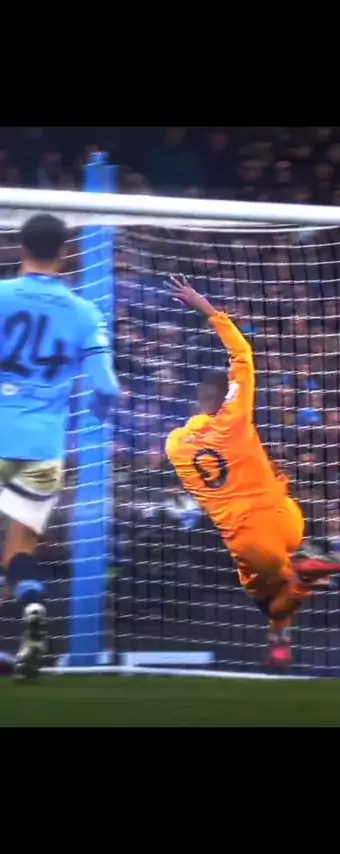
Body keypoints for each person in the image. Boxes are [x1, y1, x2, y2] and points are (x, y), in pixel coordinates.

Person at [166, 277, 340, 669]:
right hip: (285, 516)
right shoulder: (235, 419)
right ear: (223, 398)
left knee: (269, 600)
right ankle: (281, 633)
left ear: (197, 401)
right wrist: (207, 309)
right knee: (285, 588)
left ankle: (299, 585)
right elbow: (242, 354)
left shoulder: (176, 446)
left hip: (250, 539)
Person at [0, 213, 119, 679]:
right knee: (19, 551)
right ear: (65, 253)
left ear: (21, 246)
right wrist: (98, 414)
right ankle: (33, 609)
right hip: (42, 446)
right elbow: (106, 387)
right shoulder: (84, 312)